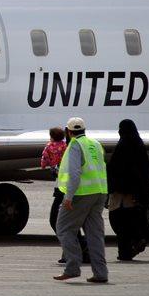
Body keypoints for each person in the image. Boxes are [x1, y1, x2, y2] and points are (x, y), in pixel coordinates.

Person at [54, 117, 109, 283]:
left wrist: (68, 197)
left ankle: (72, 267)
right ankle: (101, 273)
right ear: (84, 129)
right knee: (95, 234)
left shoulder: (75, 145)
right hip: (100, 192)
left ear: (68, 132)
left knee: (63, 228)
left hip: (81, 194)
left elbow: (75, 173)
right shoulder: (96, 144)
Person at [107, 119, 149, 261]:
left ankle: (126, 250)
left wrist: (110, 186)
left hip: (121, 190)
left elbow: (115, 167)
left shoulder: (123, 145)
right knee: (129, 218)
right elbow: (144, 169)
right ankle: (130, 247)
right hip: (134, 190)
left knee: (118, 220)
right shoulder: (139, 144)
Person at [44, 126, 90, 264]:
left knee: (57, 221)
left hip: (66, 191)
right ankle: (76, 250)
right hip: (64, 189)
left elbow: (73, 172)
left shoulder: (72, 149)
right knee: (65, 223)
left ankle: (80, 249)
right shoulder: (68, 148)